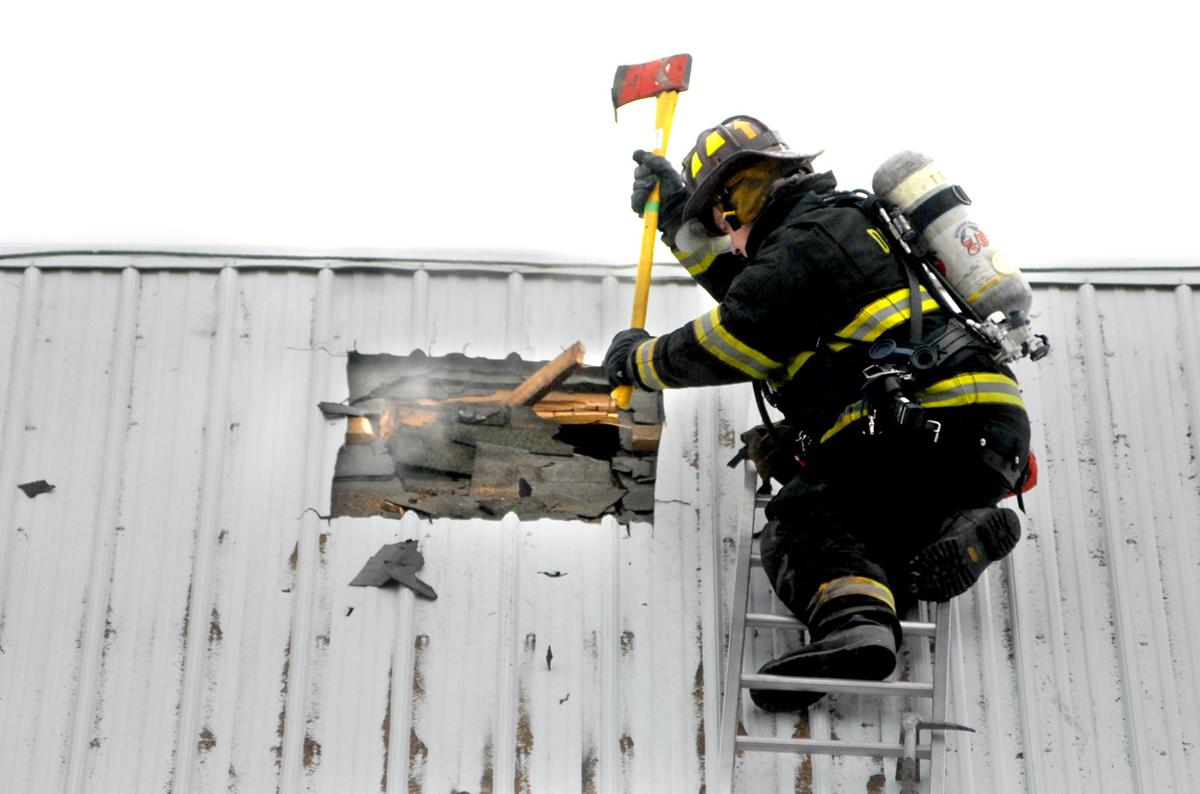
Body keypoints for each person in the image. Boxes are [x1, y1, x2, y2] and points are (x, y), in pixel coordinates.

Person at [604, 116, 1032, 713]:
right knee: (876, 544)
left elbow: (736, 334)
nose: (726, 232)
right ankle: (957, 527)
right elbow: (745, 286)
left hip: (915, 420)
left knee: (802, 525)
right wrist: (678, 214)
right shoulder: (845, 229)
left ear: (755, 190)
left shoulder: (805, 241)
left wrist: (637, 362)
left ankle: (852, 629)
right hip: (984, 433)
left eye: (727, 211)